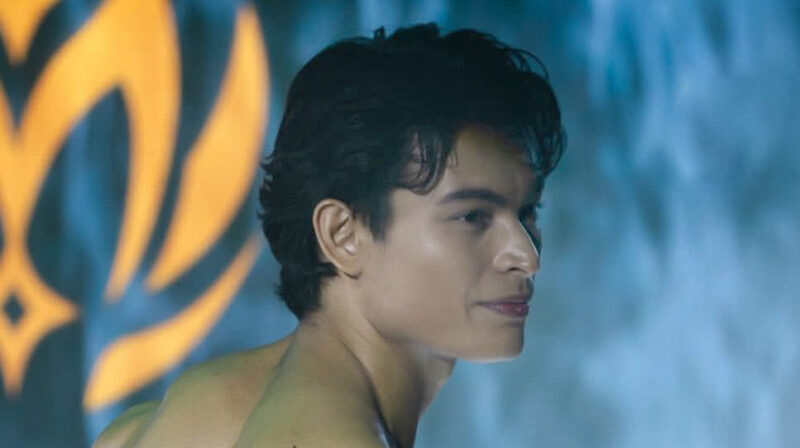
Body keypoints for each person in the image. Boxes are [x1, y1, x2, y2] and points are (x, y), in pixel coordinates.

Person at [94, 22, 565, 448]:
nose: (526, 256)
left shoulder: (170, 419)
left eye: (528, 212)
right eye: (473, 217)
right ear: (342, 235)